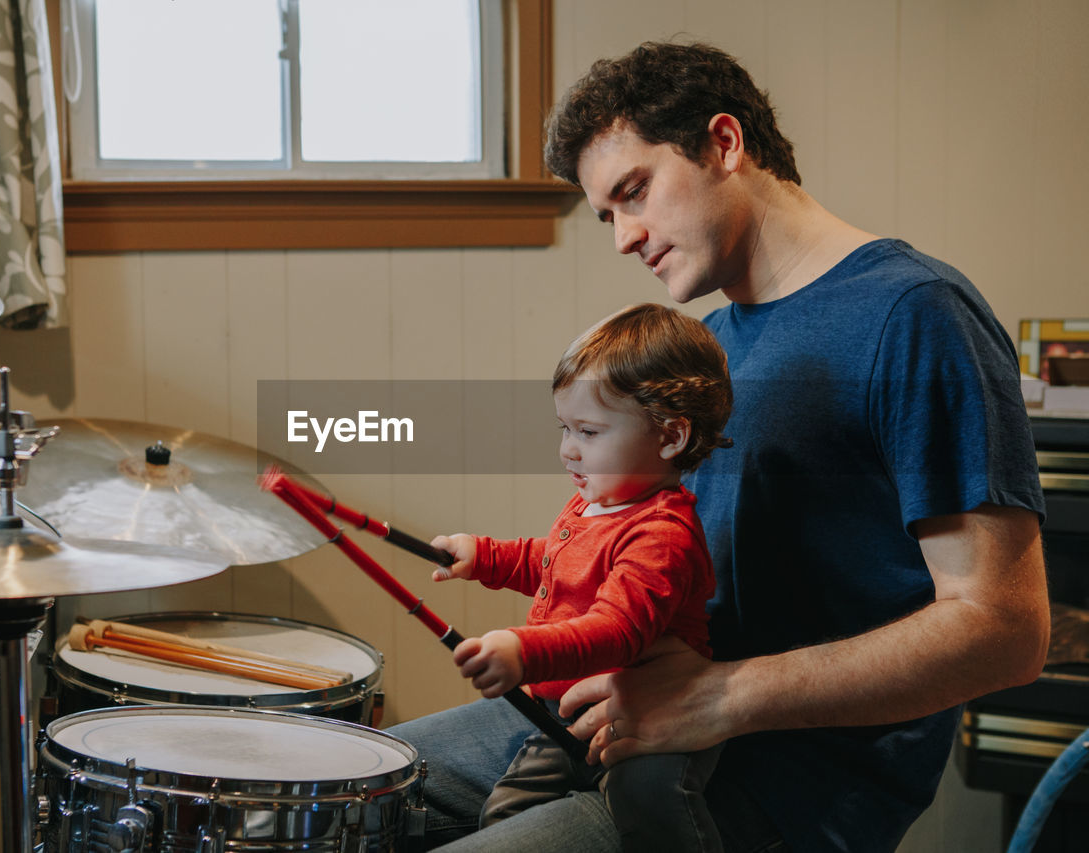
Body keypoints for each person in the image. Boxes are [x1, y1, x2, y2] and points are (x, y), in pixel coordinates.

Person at [390, 40, 1049, 853]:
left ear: (724, 144)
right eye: (606, 216)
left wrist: (721, 696)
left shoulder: (915, 315)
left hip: (774, 785)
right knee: (347, 781)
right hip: (630, 710)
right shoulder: (708, 345)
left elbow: (1008, 629)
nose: (625, 237)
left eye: (634, 193)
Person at [430, 302, 732, 852]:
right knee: (507, 812)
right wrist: (485, 557)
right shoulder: (598, 502)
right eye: (564, 427)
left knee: (653, 815)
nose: (568, 449)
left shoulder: (663, 532)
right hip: (569, 711)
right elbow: (556, 564)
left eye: (588, 431)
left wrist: (523, 650)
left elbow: (616, 630)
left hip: (648, 719)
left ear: (670, 437)